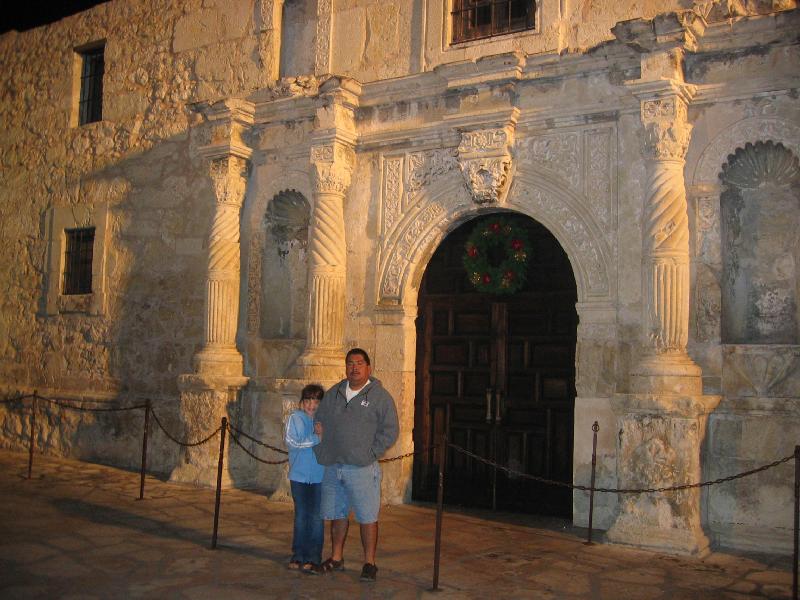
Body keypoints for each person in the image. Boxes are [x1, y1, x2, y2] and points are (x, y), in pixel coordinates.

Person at [313, 348, 399, 582]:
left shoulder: (380, 397)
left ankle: (369, 562)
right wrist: (322, 445)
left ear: (368, 367)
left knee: (366, 516)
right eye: (350, 363)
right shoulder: (335, 393)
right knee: (336, 514)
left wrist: (370, 453)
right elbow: (319, 417)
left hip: (361, 468)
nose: (354, 367)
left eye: (359, 363)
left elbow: (390, 430)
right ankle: (336, 557)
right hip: (334, 466)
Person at [285, 383, 326, 575]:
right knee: (301, 516)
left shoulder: (324, 422)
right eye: (308, 400)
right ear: (302, 402)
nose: (312, 405)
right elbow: (294, 443)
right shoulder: (295, 419)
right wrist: (317, 438)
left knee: (317, 517)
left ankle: (313, 557)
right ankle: (298, 554)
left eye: (316, 401)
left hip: (319, 477)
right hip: (299, 477)